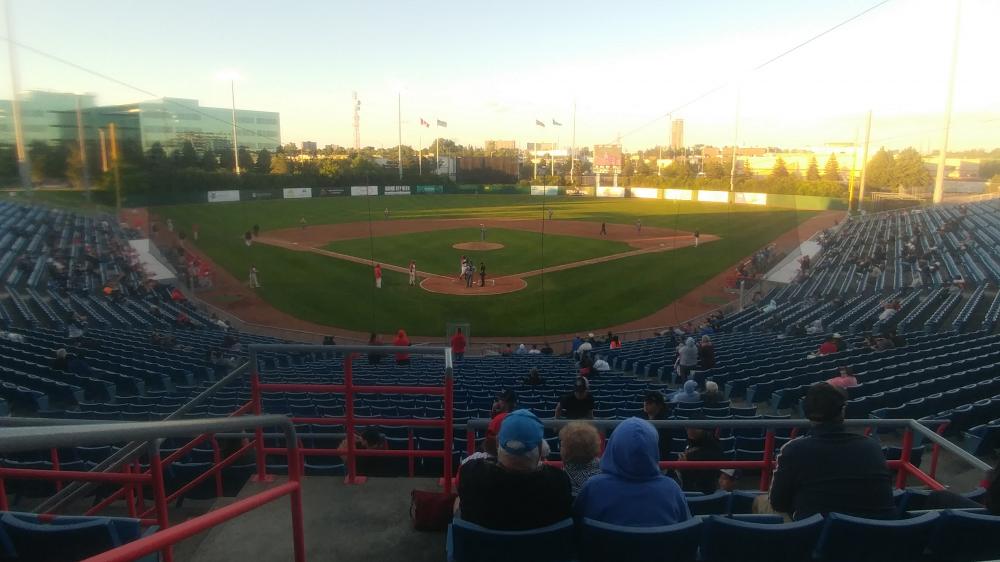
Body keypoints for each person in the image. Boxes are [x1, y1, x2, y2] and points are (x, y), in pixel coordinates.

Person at [769, 382, 894, 520]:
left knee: (761, 502)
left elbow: (778, 503)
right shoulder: (872, 446)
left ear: (807, 412)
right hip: (876, 534)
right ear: (842, 411)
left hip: (817, 535)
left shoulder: (793, 450)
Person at [457, 410, 573, 530]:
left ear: (498, 444)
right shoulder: (559, 482)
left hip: (482, 548)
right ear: (540, 448)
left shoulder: (471, 473)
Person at [574, 417, 690, 526]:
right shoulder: (672, 491)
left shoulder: (593, 488)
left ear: (613, 446)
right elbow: (686, 534)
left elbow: (576, 531)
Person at [559, 422, 602, 496]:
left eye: (562, 445)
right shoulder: (603, 469)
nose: (560, 448)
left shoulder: (562, 479)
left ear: (568, 451)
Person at [678, 427, 724, 494]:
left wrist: (684, 467)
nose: (689, 430)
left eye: (694, 428)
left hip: (700, 492)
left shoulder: (711, 450)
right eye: (687, 427)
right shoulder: (691, 443)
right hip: (689, 488)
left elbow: (701, 481)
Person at [642, 391, 674, 461]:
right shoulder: (641, 420)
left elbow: (665, 448)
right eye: (645, 401)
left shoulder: (665, 424)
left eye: (650, 402)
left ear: (659, 405)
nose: (646, 403)